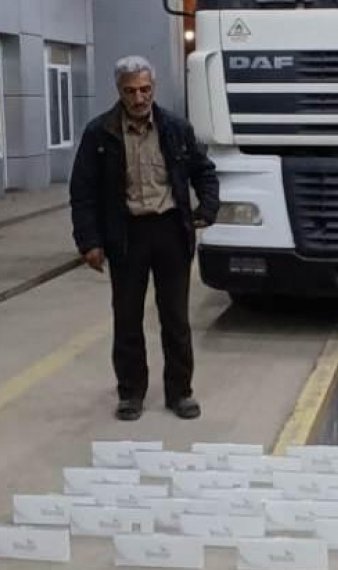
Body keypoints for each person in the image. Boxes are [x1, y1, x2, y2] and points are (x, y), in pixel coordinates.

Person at [70, 56, 219, 421]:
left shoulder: (176, 128)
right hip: (126, 235)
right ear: (119, 91)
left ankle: (180, 393)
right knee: (127, 318)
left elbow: (204, 172)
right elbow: (83, 192)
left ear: (154, 88)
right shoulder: (100, 133)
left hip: (170, 231)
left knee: (175, 318)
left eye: (145, 89)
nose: (139, 98)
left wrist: (207, 208)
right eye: (130, 91)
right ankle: (131, 393)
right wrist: (89, 242)